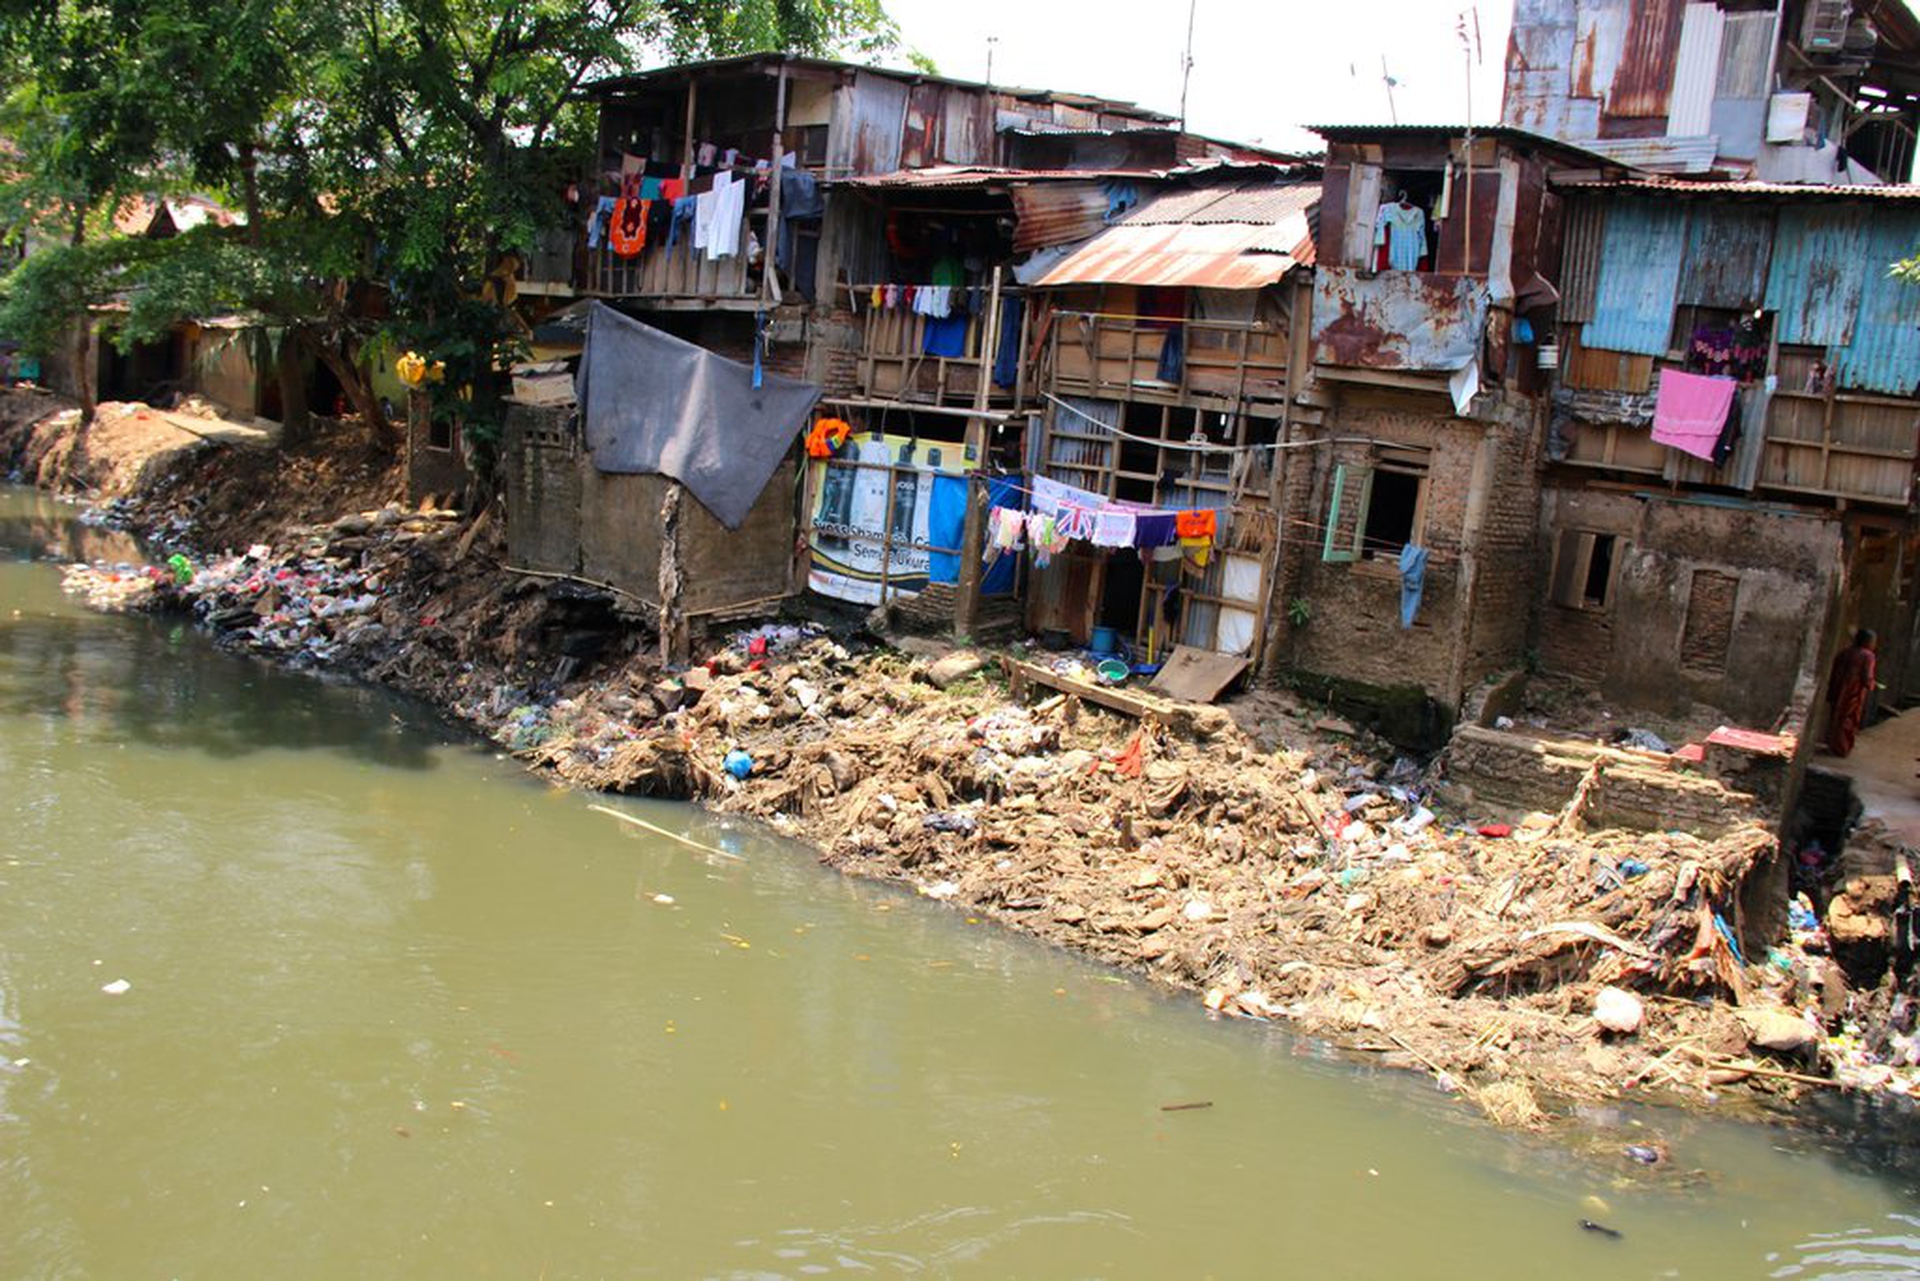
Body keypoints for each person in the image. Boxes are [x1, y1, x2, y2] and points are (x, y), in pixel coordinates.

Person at [1826, 628, 1879, 757]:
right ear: (1868, 641)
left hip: (1837, 691)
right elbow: (1866, 678)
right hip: (1853, 693)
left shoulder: (1844, 653)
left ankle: (1833, 745)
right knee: (1849, 720)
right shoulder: (1868, 656)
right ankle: (1842, 748)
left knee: (1836, 717)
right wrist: (1872, 684)